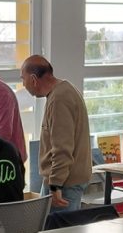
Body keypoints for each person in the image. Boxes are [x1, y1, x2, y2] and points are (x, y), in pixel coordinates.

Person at [20, 55, 91, 211]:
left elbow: (62, 148)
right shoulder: (62, 92)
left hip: (64, 184)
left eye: (23, 79)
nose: (23, 84)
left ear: (33, 79)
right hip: (63, 181)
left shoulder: (60, 99)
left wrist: (55, 186)